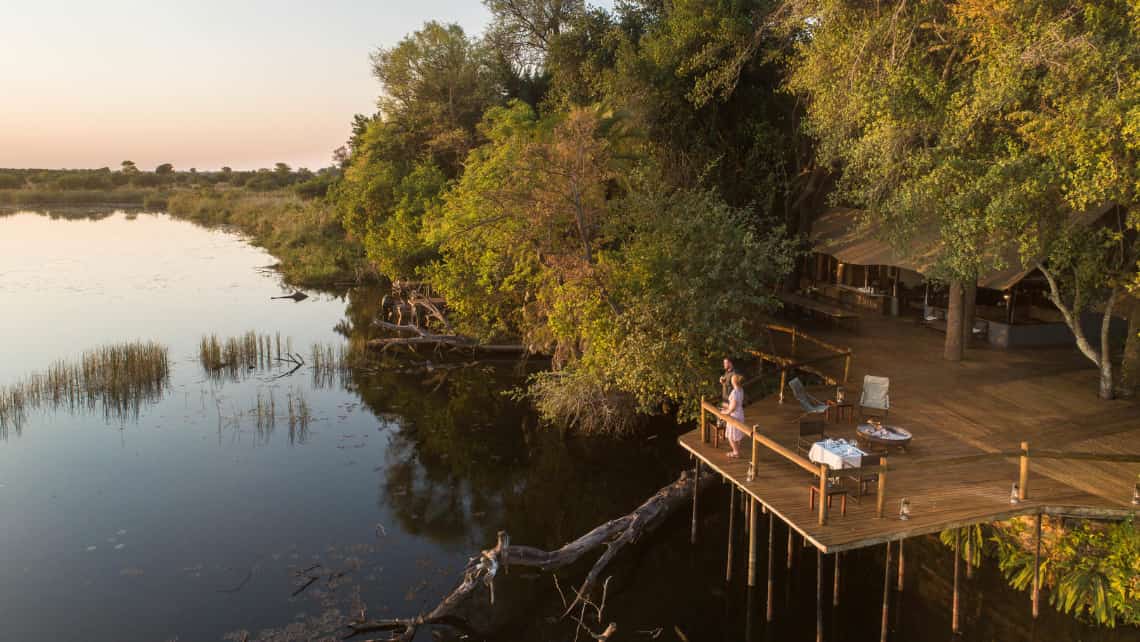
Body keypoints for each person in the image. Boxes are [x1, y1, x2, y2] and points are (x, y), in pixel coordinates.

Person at [723, 373, 746, 458]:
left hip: (735, 415)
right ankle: (737, 450)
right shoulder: (741, 389)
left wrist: (726, 412)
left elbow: (733, 407)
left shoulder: (735, 392)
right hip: (740, 413)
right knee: (737, 434)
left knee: (731, 436)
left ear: (734, 382)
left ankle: (735, 452)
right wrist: (727, 407)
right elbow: (736, 404)